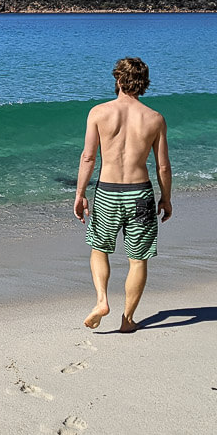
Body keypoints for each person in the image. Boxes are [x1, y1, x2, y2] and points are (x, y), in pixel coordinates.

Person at [73, 57, 172, 333]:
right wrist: (166, 197)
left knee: (99, 248)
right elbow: (163, 165)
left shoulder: (99, 113)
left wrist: (80, 194)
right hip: (140, 193)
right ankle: (128, 319)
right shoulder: (155, 119)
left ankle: (102, 300)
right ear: (144, 84)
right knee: (138, 259)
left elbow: (88, 158)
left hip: (107, 192)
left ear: (118, 79)